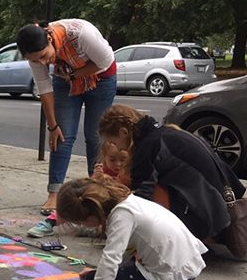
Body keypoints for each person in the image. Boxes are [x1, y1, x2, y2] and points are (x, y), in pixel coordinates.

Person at [97, 104, 246, 244]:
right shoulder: (168, 133)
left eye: (114, 141)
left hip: (212, 221)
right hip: (225, 206)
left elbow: (140, 202)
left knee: (147, 193)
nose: (116, 146)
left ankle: (189, 239)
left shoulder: (148, 147)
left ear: (124, 133)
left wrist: (119, 230)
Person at [16, 19, 117, 221]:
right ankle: (54, 192)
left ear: (50, 38)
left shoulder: (82, 35)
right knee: (63, 135)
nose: (44, 63)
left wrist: (75, 74)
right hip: (65, 79)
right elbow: (44, 89)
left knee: (94, 135)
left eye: (45, 56)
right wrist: (52, 126)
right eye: (36, 61)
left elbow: (106, 61)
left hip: (101, 78)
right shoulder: (35, 53)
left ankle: (95, 190)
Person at [58, 178, 206, 280]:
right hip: (185, 266)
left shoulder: (121, 216)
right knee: (96, 276)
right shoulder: (126, 202)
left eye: (81, 222)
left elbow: (112, 258)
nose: (83, 226)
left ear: (92, 215)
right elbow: (124, 253)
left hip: (171, 275)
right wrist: (97, 273)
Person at [29, 140, 130, 238]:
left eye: (123, 160)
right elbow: (89, 190)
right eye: (112, 159)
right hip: (97, 208)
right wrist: (96, 178)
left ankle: (94, 229)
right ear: (104, 156)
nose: (118, 164)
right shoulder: (102, 170)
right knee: (70, 201)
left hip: (113, 210)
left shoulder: (131, 172)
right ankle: (51, 222)